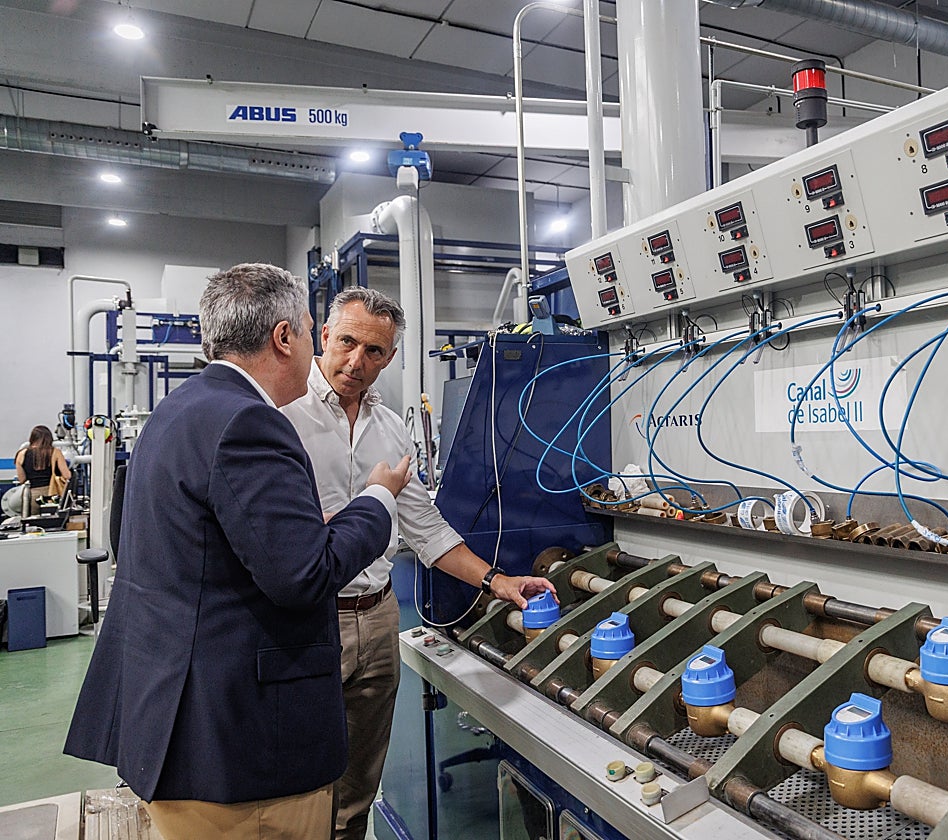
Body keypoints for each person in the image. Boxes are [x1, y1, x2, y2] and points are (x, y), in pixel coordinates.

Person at [64, 264, 413, 840]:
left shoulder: (179, 410)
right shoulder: (252, 422)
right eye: (316, 334)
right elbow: (303, 576)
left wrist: (303, 532)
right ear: (288, 338)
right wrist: (377, 497)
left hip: (178, 718)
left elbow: (180, 539)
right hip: (239, 745)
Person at [280, 287, 556, 840]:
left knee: (358, 788)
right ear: (325, 336)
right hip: (307, 620)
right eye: (349, 342)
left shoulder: (390, 429)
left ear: (390, 356)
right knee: (297, 786)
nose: (358, 362)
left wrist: (497, 582)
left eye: (376, 352)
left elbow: (424, 529)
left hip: (378, 617)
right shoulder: (281, 412)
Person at [15, 424, 71, 512]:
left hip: (33, 494)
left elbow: (22, 479)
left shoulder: (22, 454)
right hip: (53, 493)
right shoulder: (55, 452)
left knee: (35, 523)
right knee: (54, 521)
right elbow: (67, 475)